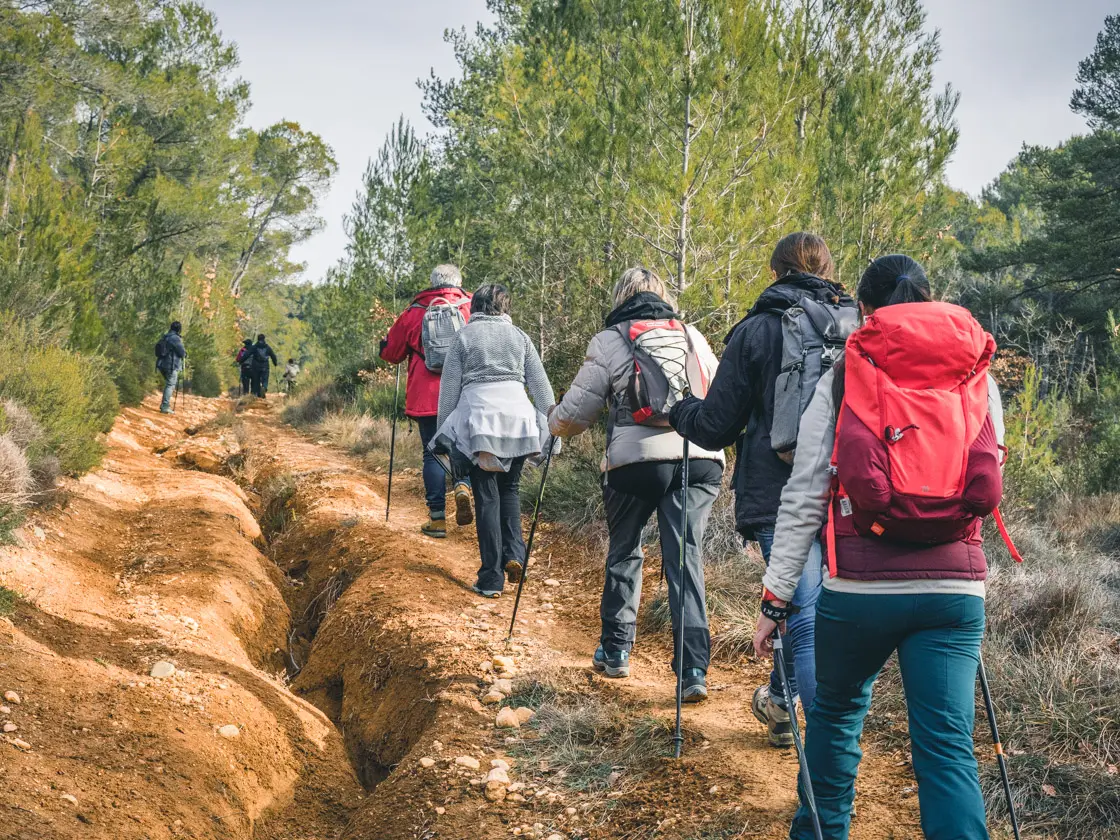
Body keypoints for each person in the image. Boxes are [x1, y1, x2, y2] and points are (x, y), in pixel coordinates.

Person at [752, 255, 1006, 840]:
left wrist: (776, 600)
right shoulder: (977, 374)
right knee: (946, 747)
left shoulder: (846, 372)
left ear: (863, 311)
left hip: (860, 590)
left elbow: (805, 495)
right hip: (954, 592)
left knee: (836, 719)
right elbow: (987, 480)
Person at [669, 232, 855, 744]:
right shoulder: (856, 325)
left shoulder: (757, 330)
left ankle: (822, 743)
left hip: (781, 489)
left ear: (776, 274)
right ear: (827, 270)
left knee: (804, 611)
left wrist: (681, 409)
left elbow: (714, 427)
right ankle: (779, 704)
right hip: (853, 491)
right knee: (816, 610)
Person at [549, 267, 725, 702]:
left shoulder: (610, 339)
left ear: (620, 296)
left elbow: (574, 415)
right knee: (685, 555)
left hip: (634, 463)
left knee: (625, 547)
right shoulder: (693, 335)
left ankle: (616, 651)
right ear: (663, 297)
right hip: (698, 458)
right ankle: (693, 670)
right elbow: (723, 395)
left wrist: (552, 423)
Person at [434, 283, 555, 597]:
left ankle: (491, 578)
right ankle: (515, 554)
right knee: (510, 490)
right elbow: (542, 389)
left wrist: (442, 436)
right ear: (505, 308)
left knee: (487, 496)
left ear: (474, 308)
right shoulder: (520, 338)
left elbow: (448, 394)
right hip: (520, 422)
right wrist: (553, 430)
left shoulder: (464, 337)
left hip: (481, 422)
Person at [380, 264, 474, 538]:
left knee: (433, 452)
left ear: (432, 283)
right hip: (462, 392)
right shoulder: (470, 308)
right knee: (464, 447)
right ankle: (463, 485)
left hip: (427, 395)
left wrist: (383, 346)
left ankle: (437, 520)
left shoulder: (414, 311)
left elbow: (392, 354)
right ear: (458, 282)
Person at [156, 321, 187, 414]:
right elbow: (182, 352)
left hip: (162, 364)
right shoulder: (175, 338)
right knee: (170, 385)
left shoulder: (165, 336)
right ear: (179, 329)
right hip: (171, 365)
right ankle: (165, 407)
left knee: (168, 384)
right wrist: (185, 354)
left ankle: (164, 405)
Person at [249, 333, 278, 398]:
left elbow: (247, 354)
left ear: (258, 339)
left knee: (256, 380)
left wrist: (241, 360)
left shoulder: (254, 347)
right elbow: (273, 356)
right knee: (265, 379)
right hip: (265, 366)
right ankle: (264, 387)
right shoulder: (267, 347)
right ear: (264, 339)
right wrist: (275, 363)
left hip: (255, 366)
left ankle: (258, 393)